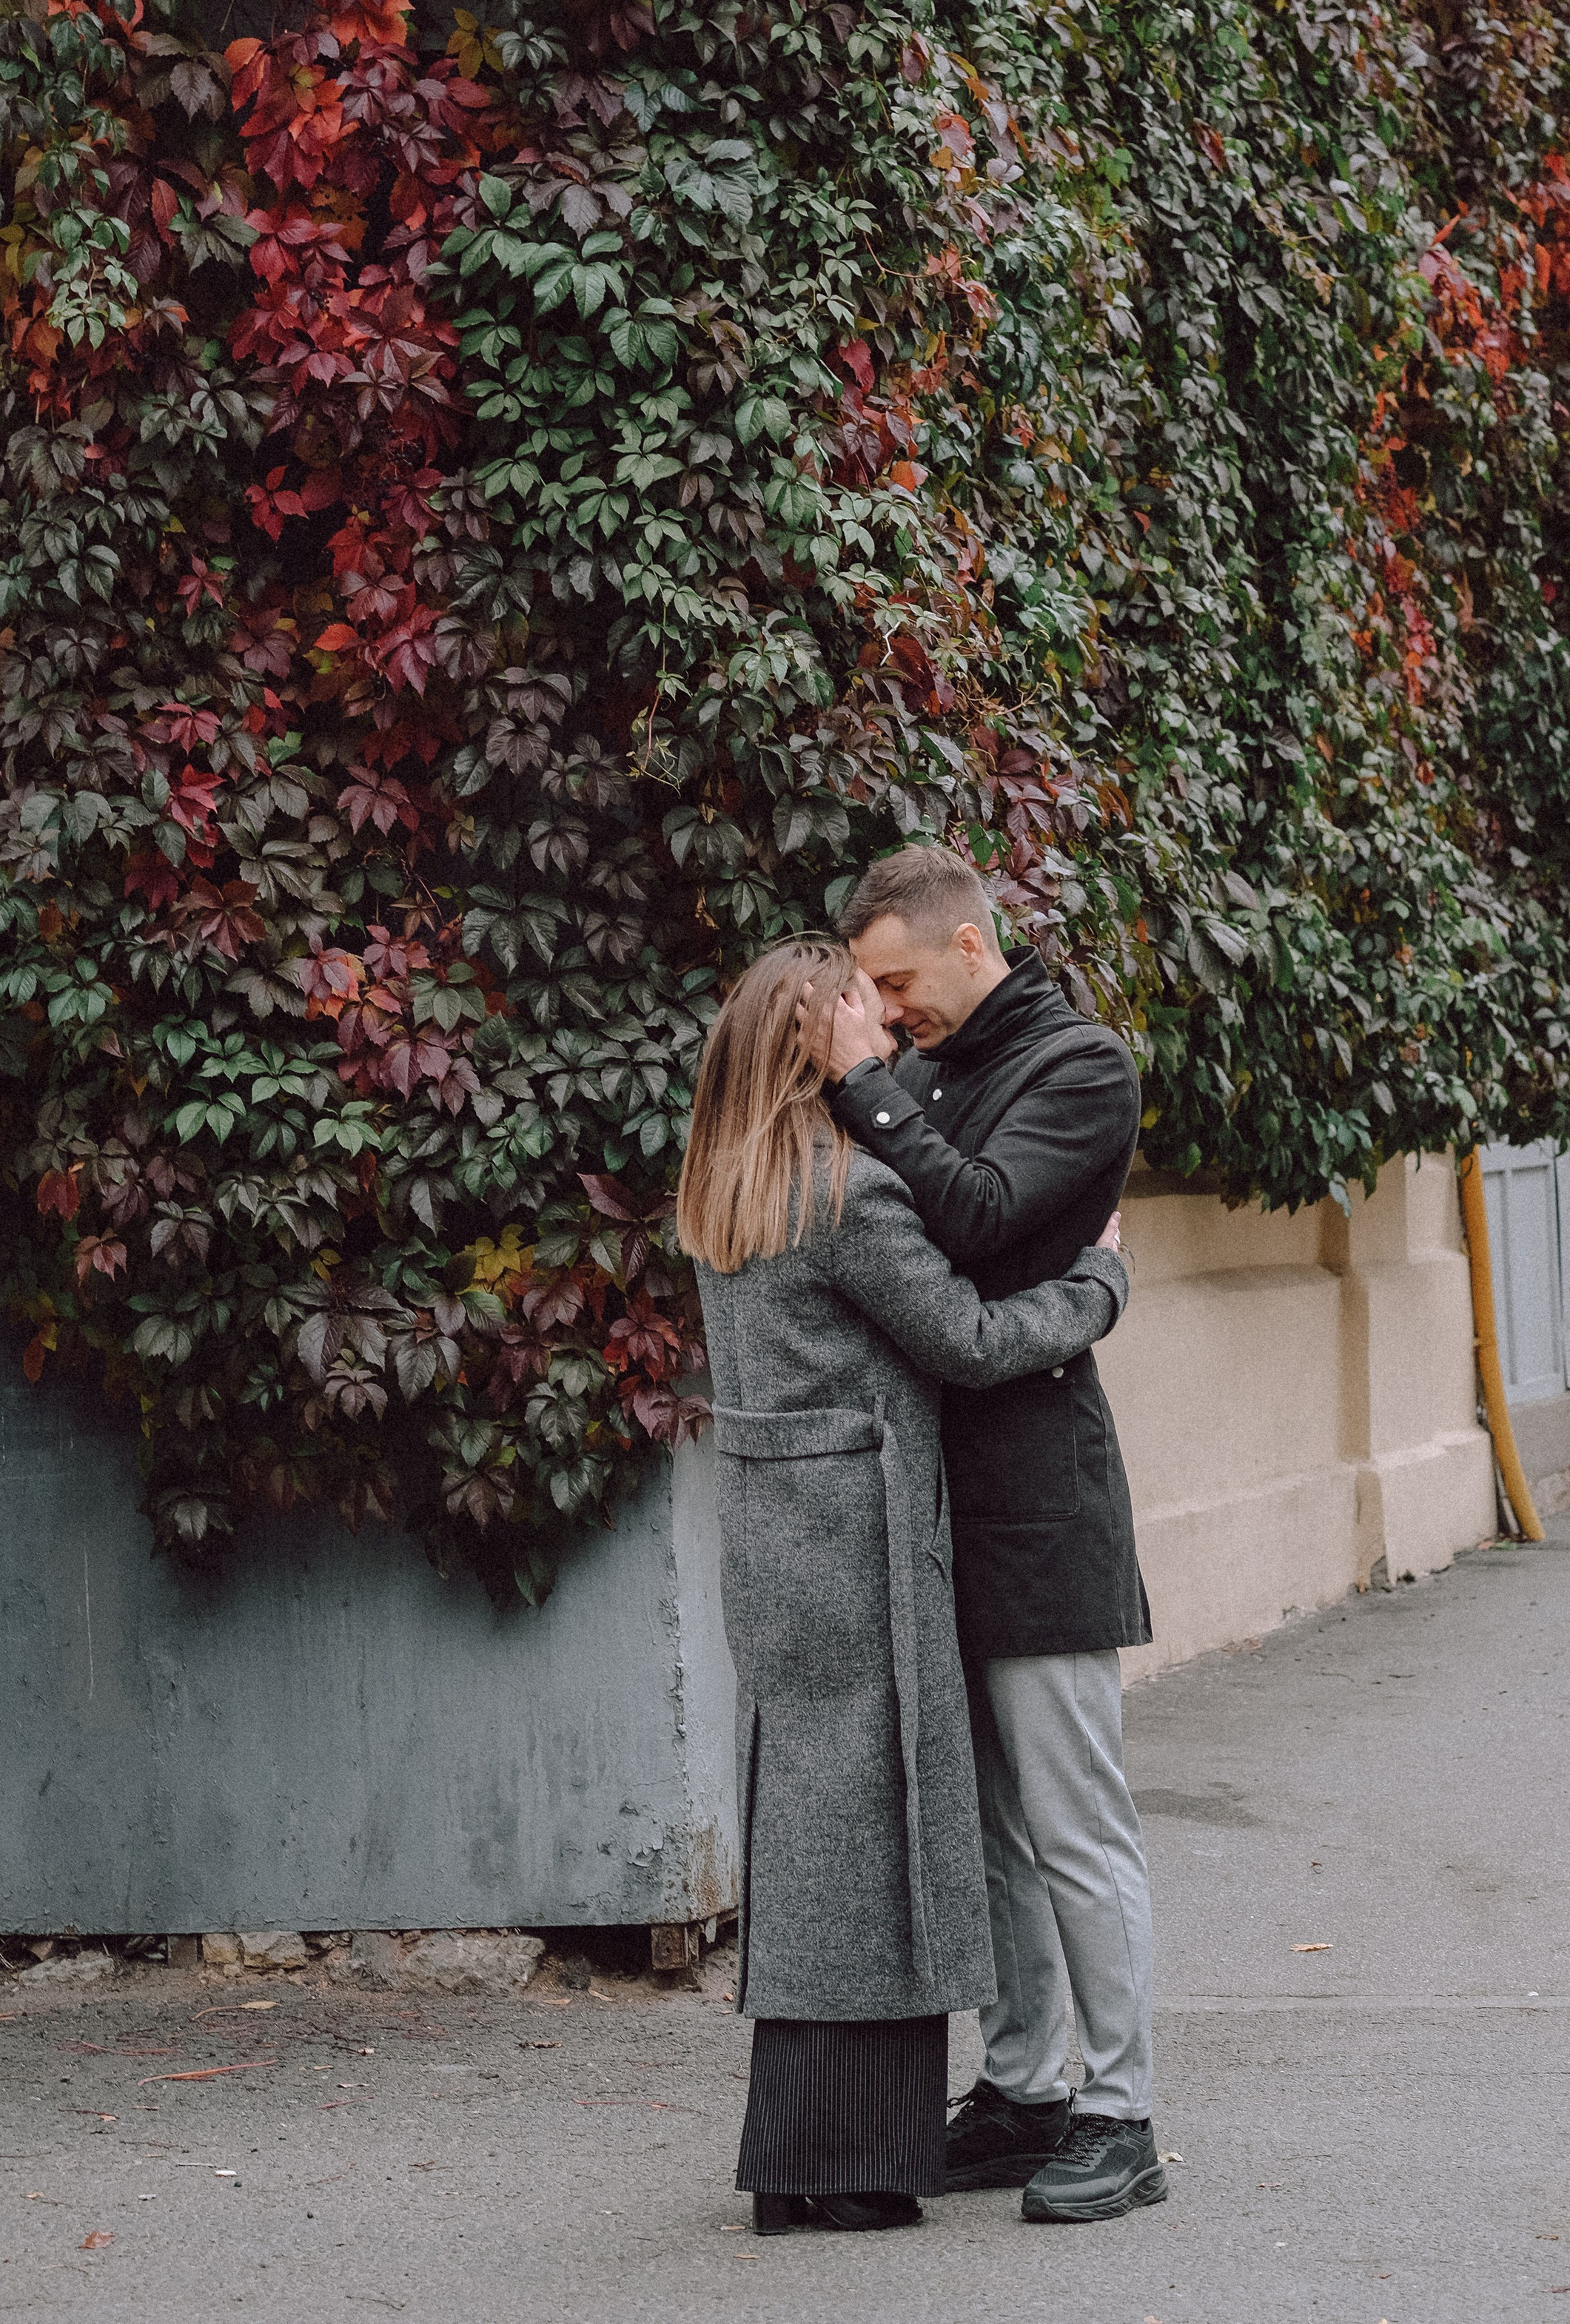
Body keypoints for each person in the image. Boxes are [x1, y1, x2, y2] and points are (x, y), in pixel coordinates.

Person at [677, 933, 1130, 2237]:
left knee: (812, 1826)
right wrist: (1098, 1283)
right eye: (859, 1021)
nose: (885, 1036)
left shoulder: (726, 1185)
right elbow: (973, 1340)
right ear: (816, 1043)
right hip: (863, 1534)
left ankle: (808, 2157)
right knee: (879, 1835)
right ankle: (856, 2163)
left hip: (776, 1535)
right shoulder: (846, 1196)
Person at [811, 843, 1163, 2223]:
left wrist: (864, 1088)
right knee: (995, 1835)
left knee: (1077, 1826)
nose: (887, 1015)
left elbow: (976, 1226)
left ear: (970, 946)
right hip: (935, 1501)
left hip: (1042, 1503)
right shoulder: (937, 1070)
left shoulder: (1083, 1070)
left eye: (899, 983)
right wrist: (889, 1090)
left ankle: (1123, 2116)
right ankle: (1025, 2094)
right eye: (872, 998)